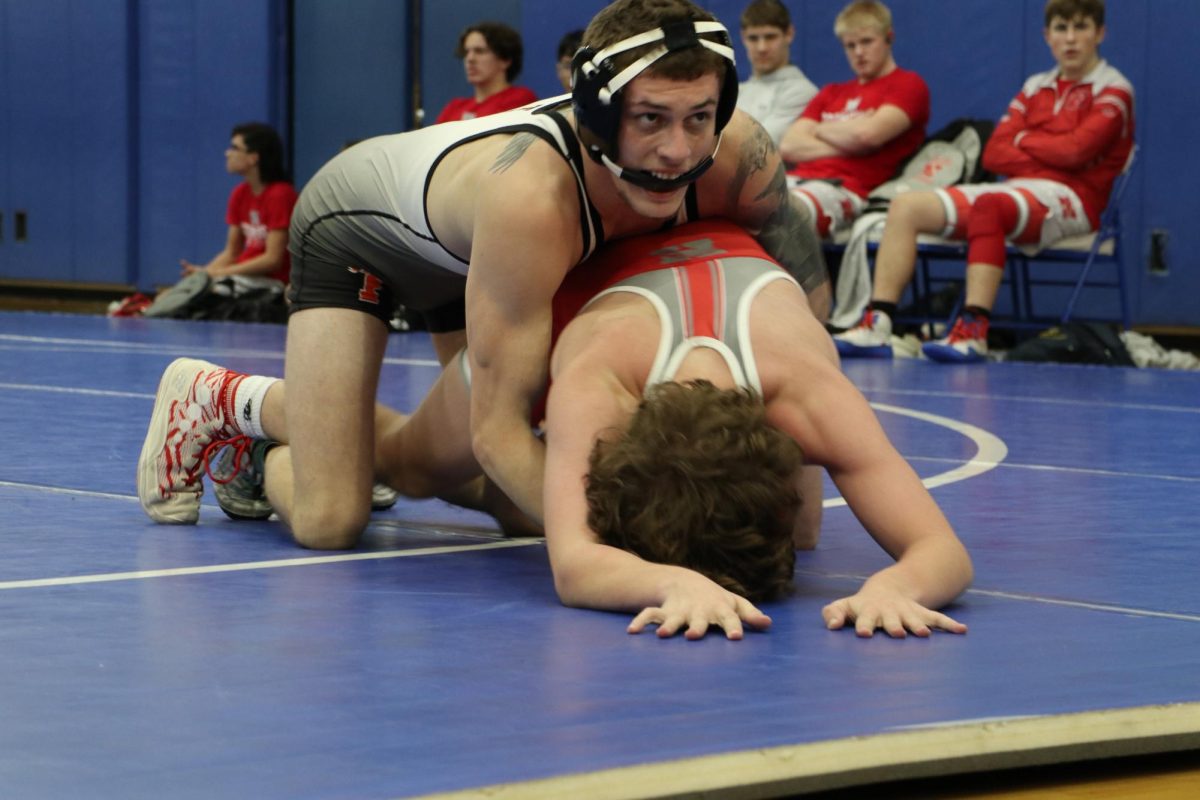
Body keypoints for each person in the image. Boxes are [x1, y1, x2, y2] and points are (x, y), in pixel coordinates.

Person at [137, 0, 829, 554]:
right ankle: (230, 403)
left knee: (517, 508)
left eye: (697, 119)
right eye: (648, 120)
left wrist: (796, 498)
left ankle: (334, 440)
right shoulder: (534, 200)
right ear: (596, 116)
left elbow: (808, 332)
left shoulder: (741, 154)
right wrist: (626, 553)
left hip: (474, 251)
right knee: (331, 519)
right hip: (360, 230)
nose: (677, 151)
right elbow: (498, 435)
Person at [150, 219, 971, 641]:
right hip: (553, 309)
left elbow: (943, 554)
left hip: (699, 282)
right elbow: (577, 570)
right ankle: (244, 406)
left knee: (802, 533)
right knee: (392, 471)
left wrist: (895, 585)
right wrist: (667, 581)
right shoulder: (594, 385)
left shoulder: (810, 392)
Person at [834, 0, 1133, 362]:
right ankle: (876, 322)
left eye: (1080, 27)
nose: (1070, 39)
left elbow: (1076, 153)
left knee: (991, 206)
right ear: (1047, 36)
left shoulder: (1114, 89)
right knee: (907, 206)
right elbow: (994, 153)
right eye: (1061, 28)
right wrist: (1049, 145)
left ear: (1100, 33)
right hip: (1018, 189)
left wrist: (1024, 140)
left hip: (1074, 199)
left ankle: (973, 331)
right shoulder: (1036, 85)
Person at [778, 1, 929, 239]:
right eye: (850, 45)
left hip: (846, 189)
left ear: (888, 38)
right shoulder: (831, 92)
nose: (858, 52)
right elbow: (789, 146)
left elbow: (867, 135)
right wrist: (848, 139)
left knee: (785, 216)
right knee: (738, 211)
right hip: (796, 180)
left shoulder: (908, 84)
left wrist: (818, 130)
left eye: (867, 41)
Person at [179, 123, 297, 284]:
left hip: (273, 284)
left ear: (253, 158)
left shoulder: (281, 195)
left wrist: (218, 274)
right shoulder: (240, 193)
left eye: (235, 148)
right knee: (174, 296)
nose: (227, 153)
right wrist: (203, 275)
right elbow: (231, 252)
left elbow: (272, 260)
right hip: (243, 278)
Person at [735, 0, 818, 147]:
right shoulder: (737, 91)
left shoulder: (802, 92)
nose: (762, 47)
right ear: (743, 38)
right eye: (753, 38)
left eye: (770, 37)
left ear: (789, 34)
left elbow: (759, 148)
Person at [435, 22, 538, 124]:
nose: (470, 59)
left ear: (505, 60)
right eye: (466, 52)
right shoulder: (454, 107)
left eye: (480, 51)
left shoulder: (520, 99)